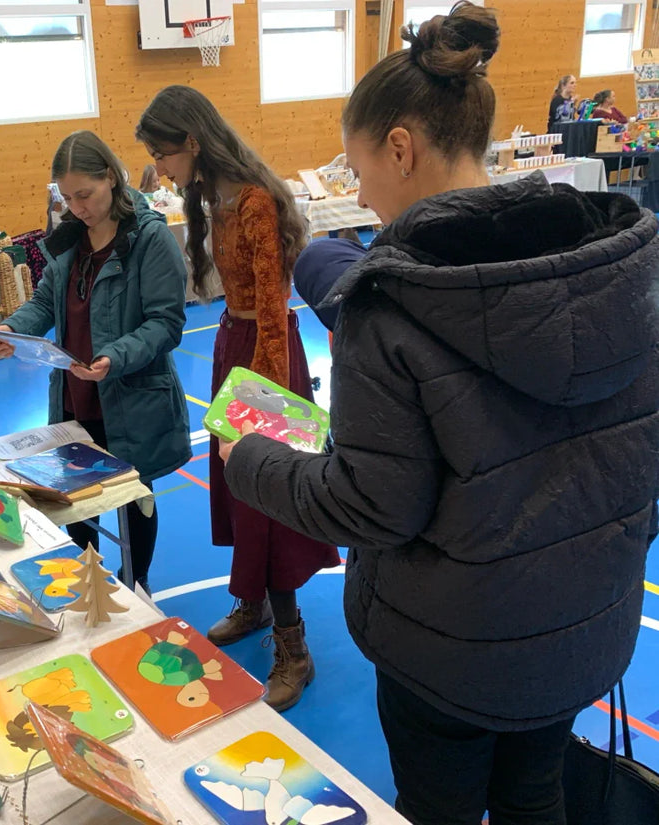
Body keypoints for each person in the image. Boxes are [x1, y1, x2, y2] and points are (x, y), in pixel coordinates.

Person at [217, 4, 659, 823]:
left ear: (400, 147)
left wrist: (249, 458)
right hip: (580, 632)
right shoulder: (621, 266)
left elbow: (372, 502)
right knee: (537, 795)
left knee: (441, 807)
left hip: (449, 652)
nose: (360, 193)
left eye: (357, 170)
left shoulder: (392, 302)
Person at [136, 86, 339, 712]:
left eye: (164, 156)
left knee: (267, 499)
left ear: (193, 142)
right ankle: (251, 605)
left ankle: (293, 648)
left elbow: (275, 315)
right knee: (237, 492)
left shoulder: (253, 200)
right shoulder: (211, 194)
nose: (162, 171)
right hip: (233, 343)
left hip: (268, 356)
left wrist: (258, 410)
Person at [0, 130, 191, 595]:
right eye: (68, 197)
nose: (78, 207)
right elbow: (45, 302)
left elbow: (166, 323)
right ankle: (94, 585)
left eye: (86, 194)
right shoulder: (69, 242)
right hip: (77, 397)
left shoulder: (149, 239)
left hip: (130, 397)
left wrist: (113, 357)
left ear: (113, 180)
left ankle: (136, 586)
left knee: (132, 498)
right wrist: (14, 329)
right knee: (77, 503)